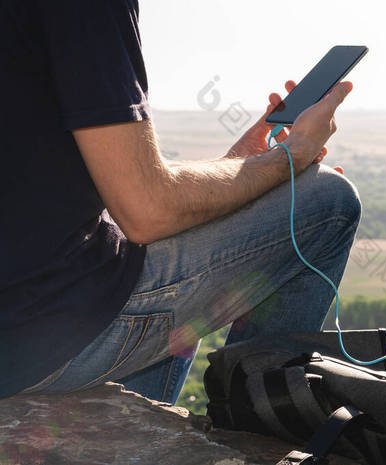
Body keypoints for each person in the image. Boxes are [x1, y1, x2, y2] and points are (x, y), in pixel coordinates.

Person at [0, 0, 360, 404]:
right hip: (30, 336)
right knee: (327, 200)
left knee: (186, 225)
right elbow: (147, 211)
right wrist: (291, 157)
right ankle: (254, 425)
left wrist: (237, 169)